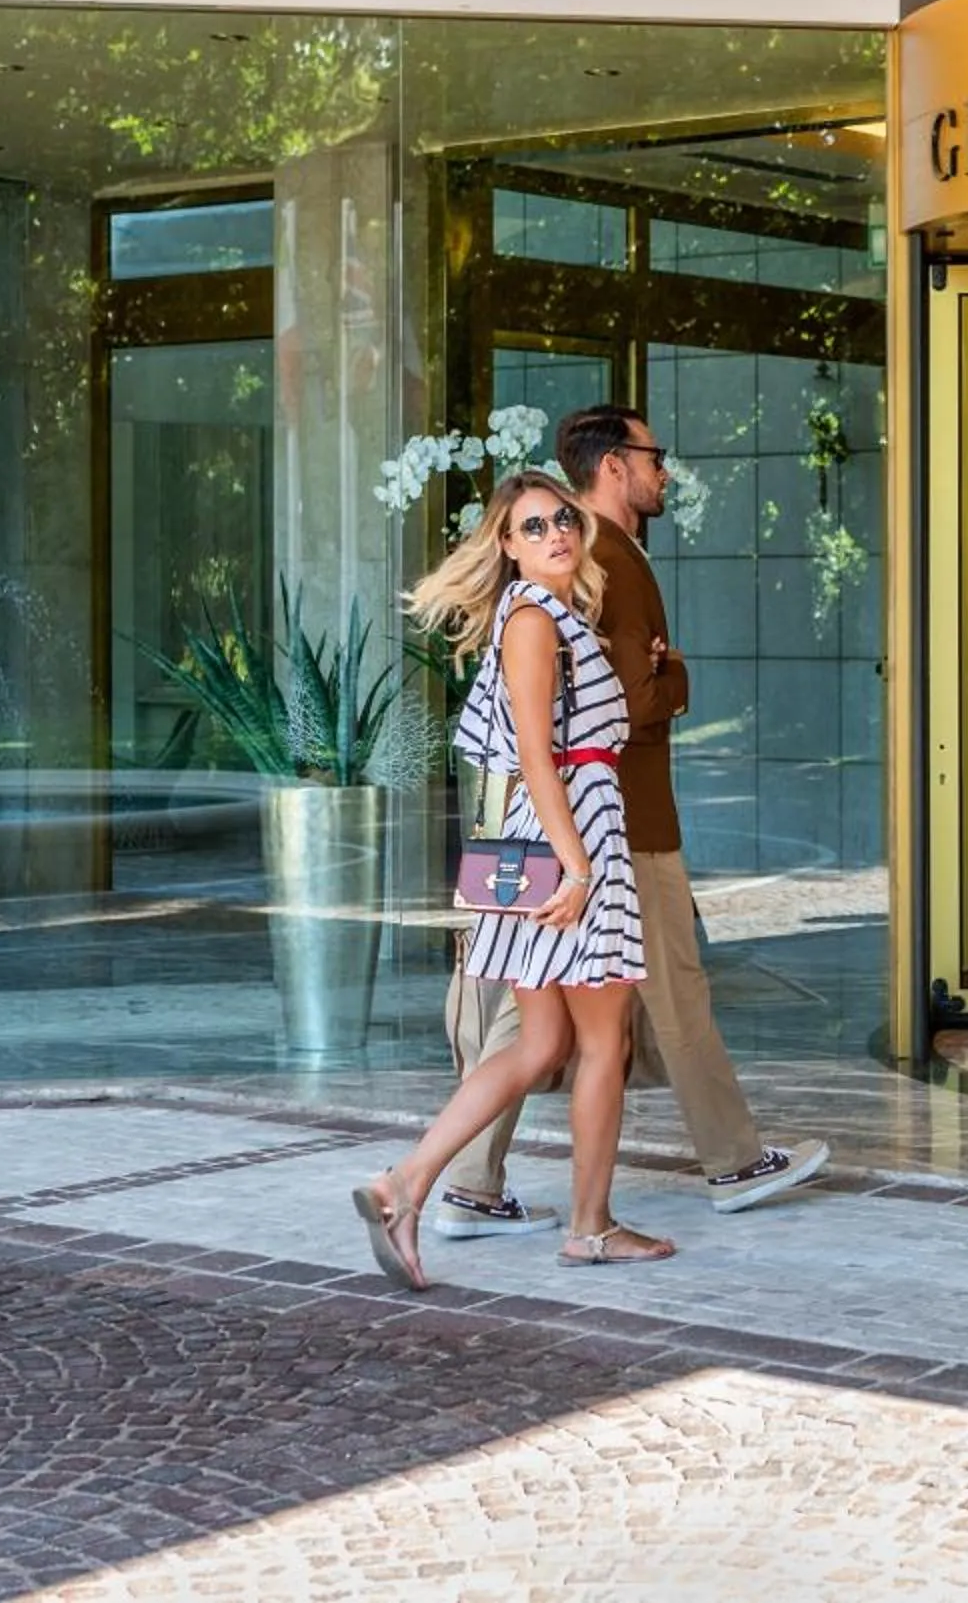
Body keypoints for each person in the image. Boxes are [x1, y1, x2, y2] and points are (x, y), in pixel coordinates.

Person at [426, 404, 827, 1241]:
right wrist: (674, 677)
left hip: (585, 824)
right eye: (655, 456)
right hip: (613, 824)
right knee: (666, 995)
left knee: (542, 1020)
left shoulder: (582, 571)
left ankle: (468, 1183)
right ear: (615, 465)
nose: (665, 472)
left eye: (556, 521)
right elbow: (621, 707)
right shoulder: (597, 570)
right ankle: (715, 1167)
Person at [351, 471, 672, 1289]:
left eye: (563, 518)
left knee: (544, 1042)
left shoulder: (555, 616)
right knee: (605, 1041)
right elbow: (537, 755)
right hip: (569, 836)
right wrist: (578, 863)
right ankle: (590, 1228)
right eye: (533, 527)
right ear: (506, 543)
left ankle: (407, 1184)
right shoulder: (533, 620)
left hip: (556, 833)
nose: (557, 533)